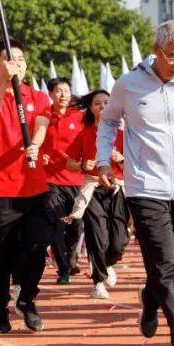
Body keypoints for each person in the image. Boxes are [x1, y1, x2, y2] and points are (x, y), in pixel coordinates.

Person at [95, 20, 174, 346]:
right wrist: (103, 159)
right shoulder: (129, 85)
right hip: (145, 188)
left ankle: (150, 299)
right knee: (165, 265)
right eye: (173, 57)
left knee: (171, 264)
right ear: (156, 51)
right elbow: (107, 121)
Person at [0, 40, 53, 333]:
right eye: (8, 60)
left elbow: (42, 124)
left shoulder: (38, 96)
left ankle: (27, 298)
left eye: (19, 59)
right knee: (1, 255)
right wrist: (4, 84)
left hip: (34, 187)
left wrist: (35, 144)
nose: (15, 63)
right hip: (0, 190)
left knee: (37, 246)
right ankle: (0, 307)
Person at [65, 89, 128, 299]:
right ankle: (98, 282)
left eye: (106, 102)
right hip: (93, 188)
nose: (102, 106)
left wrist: (121, 159)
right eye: (97, 103)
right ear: (91, 108)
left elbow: (134, 166)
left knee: (119, 241)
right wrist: (83, 164)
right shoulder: (84, 133)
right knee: (97, 235)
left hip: (117, 187)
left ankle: (107, 263)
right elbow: (70, 163)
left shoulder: (122, 134)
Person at [42, 77, 86, 285]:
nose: (63, 95)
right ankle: (63, 269)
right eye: (58, 91)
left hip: (77, 179)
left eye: (66, 91)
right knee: (57, 225)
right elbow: (35, 140)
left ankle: (70, 255)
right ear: (50, 94)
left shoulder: (79, 117)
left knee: (76, 225)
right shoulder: (43, 117)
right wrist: (41, 154)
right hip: (51, 180)